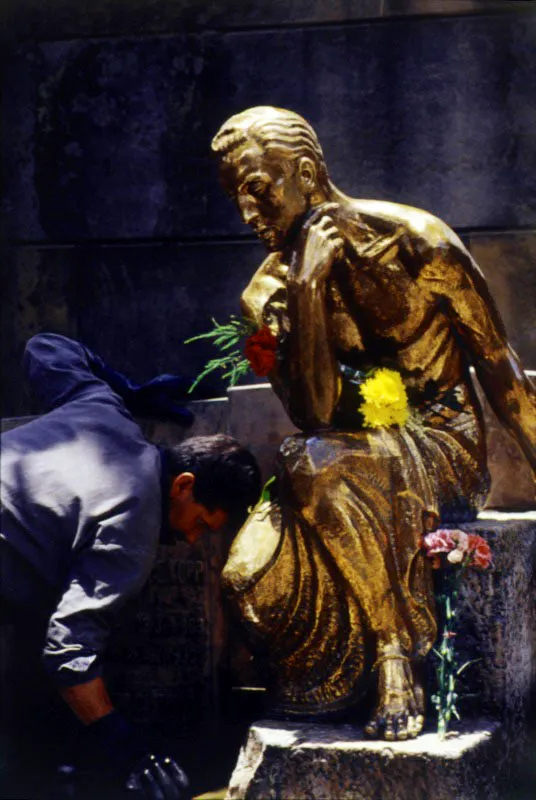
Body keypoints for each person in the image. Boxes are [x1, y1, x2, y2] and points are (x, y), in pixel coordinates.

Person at [211, 106, 536, 741]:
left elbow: (504, 376)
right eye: (234, 198)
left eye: (257, 188)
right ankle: (333, 689)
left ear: (306, 172)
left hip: (442, 448)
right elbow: (315, 413)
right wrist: (306, 290)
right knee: (246, 577)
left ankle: (394, 655)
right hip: (336, 458)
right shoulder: (268, 294)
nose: (249, 214)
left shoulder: (417, 243)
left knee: (317, 461)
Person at [0, 333, 261, 798]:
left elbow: (44, 347)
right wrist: (126, 748)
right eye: (201, 522)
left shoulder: (104, 410)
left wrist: (124, 389)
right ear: (182, 484)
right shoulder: (132, 529)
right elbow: (68, 650)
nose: (193, 538)